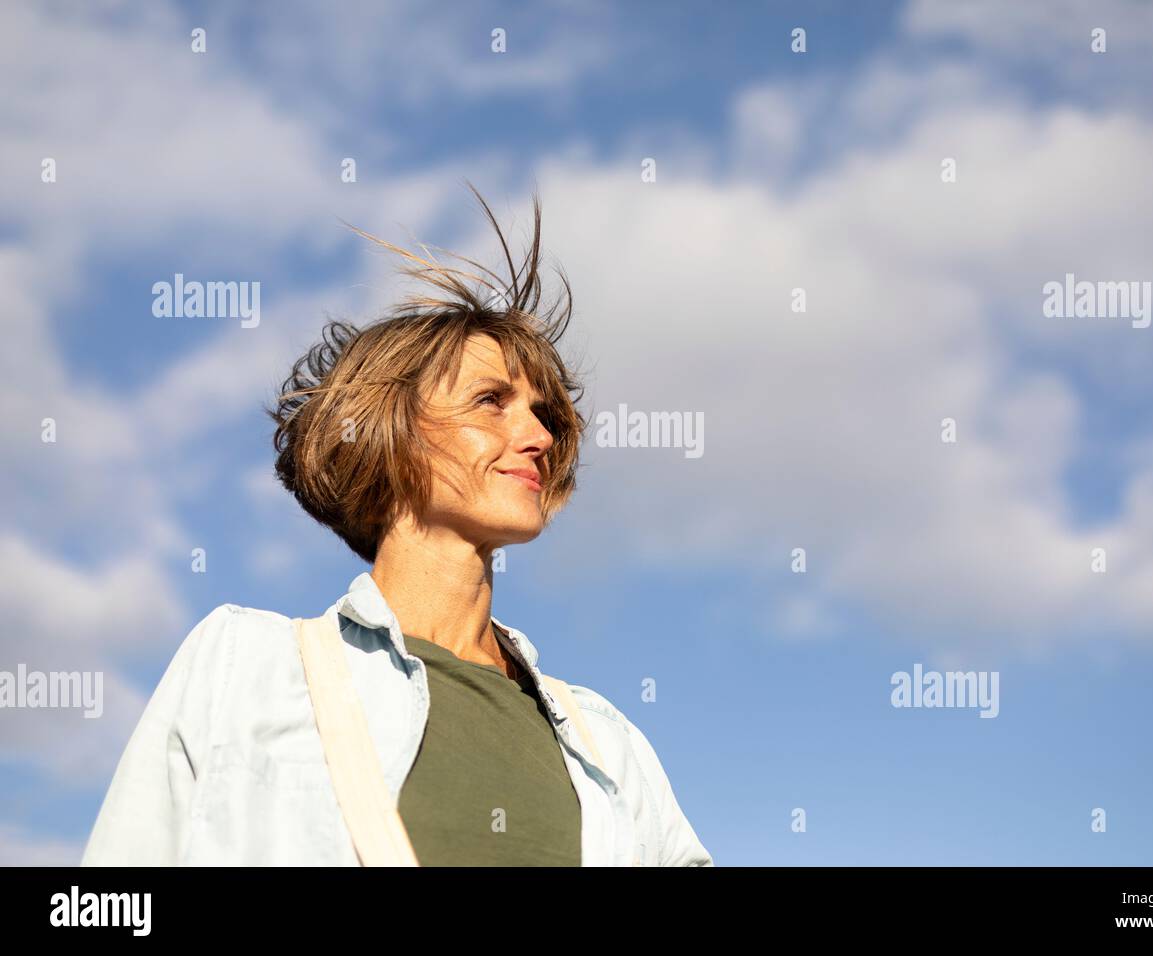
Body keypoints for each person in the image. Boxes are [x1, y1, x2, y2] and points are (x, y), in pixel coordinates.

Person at [80, 183, 713, 867]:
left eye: (544, 414)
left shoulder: (609, 747)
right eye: (491, 402)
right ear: (393, 431)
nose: (538, 435)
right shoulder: (244, 667)